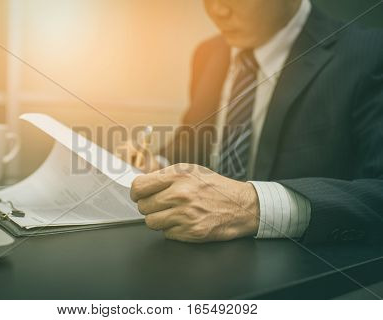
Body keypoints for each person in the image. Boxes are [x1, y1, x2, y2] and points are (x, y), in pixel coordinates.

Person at [118, 0, 383, 244]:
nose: (217, 10)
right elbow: (192, 147)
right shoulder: (207, 53)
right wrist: (158, 166)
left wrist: (252, 206)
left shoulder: (370, 54)